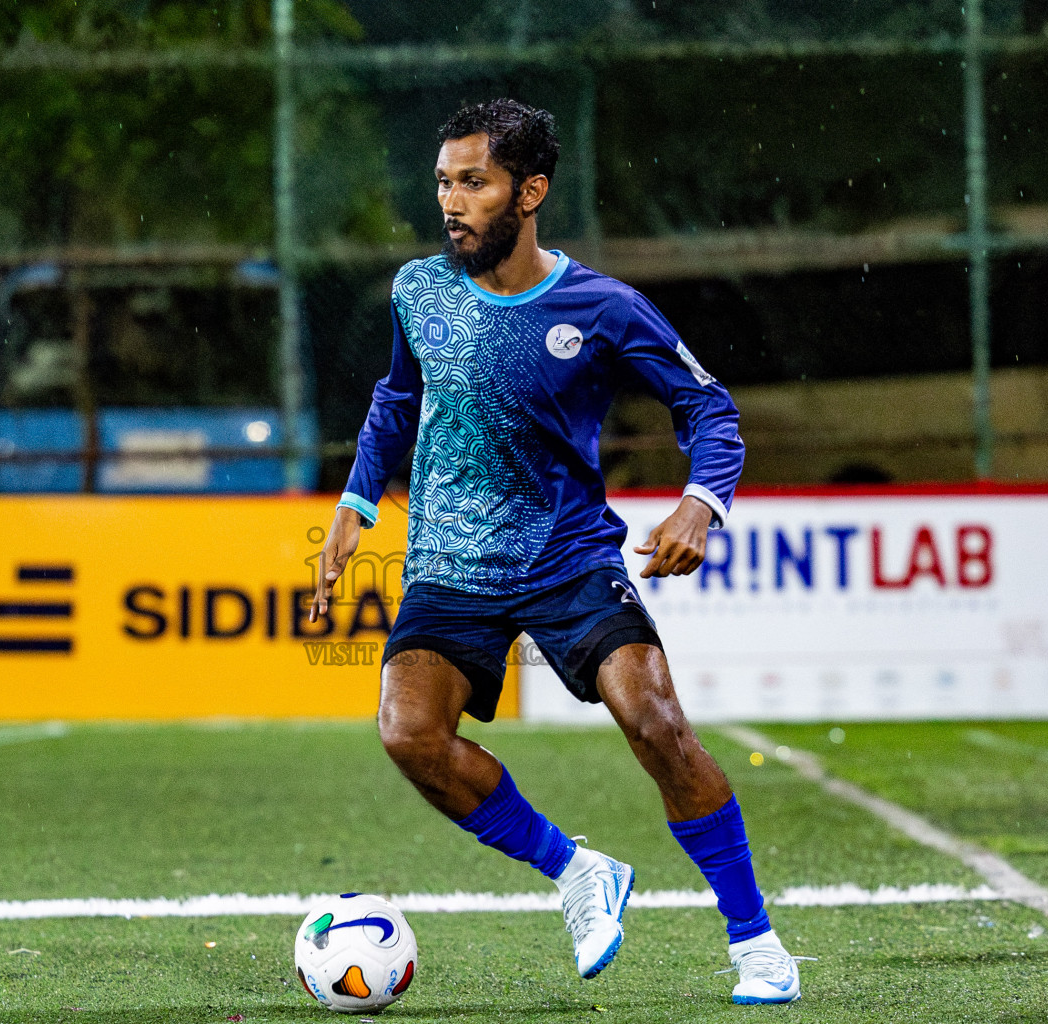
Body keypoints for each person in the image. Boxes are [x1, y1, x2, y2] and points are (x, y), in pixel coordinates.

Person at [309, 98, 800, 1004]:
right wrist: (355, 503)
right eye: (444, 183)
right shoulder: (417, 291)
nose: (452, 202)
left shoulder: (602, 308)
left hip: (567, 558)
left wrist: (701, 503)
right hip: (450, 566)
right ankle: (577, 871)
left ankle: (755, 941)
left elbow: (710, 410)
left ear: (529, 192)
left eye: (475, 183)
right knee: (409, 734)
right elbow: (396, 397)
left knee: (656, 723)